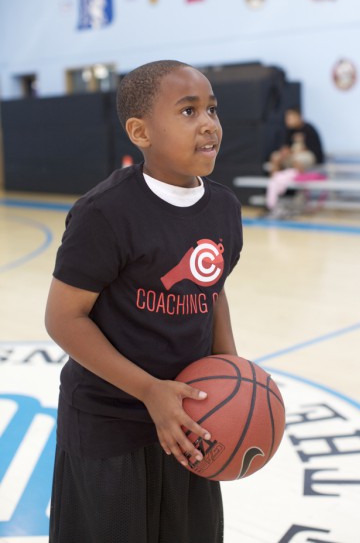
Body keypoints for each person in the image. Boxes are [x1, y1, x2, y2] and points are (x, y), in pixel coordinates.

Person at [45, 60, 243, 543]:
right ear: (141, 131)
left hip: (190, 420)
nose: (208, 123)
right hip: (109, 423)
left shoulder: (223, 208)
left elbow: (212, 290)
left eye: (212, 109)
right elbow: (63, 319)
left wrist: (231, 368)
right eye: (188, 110)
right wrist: (150, 390)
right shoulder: (105, 213)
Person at [267, 106, 324, 175]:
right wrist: (284, 152)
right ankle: (276, 181)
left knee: (297, 160)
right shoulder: (289, 131)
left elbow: (312, 150)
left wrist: (292, 152)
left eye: (290, 118)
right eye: (286, 118)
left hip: (309, 157)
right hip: (292, 155)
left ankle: (298, 183)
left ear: (298, 117)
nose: (287, 121)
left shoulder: (308, 129)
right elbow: (286, 146)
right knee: (275, 156)